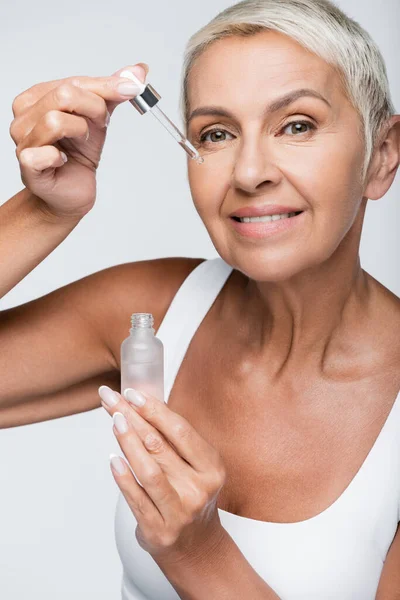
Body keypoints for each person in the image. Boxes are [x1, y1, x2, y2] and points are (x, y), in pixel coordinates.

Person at [1, 0, 399, 598]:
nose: (249, 171)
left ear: (382, 155)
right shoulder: (153, 314)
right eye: (216, 133)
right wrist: (41, 213)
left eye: (297, 124)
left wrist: (200, 556)